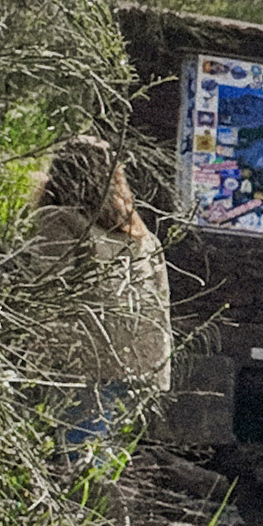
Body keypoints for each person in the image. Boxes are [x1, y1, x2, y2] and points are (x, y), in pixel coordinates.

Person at [25, 135, 173, 460]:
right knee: (98, 458)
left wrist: (33, 362)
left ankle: (78, 511)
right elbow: (160, 302)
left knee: (75, 461)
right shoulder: (142, 236)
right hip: (141, 365)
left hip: (87, 362)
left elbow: (49, 293)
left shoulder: (59, 222)